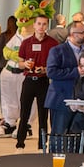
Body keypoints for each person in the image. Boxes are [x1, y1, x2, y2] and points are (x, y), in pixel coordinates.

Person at [13, 15, 58, 148]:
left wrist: (44, 69)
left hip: (43, 82)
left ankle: (42, 144)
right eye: (39, 24)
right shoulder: (26, 42)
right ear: (34, 25)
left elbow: (55, 64)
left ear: (47, 26)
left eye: (44, 24)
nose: (41, 27)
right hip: (28, 81)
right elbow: (19, 63)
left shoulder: (53, 43)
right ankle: (20, 142)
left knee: (43, 114)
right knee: (24, 113)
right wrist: (25, 64)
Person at [46, 22, 84, 136]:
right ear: (72, 34)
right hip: (61, 98)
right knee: (59, 136)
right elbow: (51, 72)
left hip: (82, 99)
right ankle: (55, 154)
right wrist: (75, 71)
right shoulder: (57, 50)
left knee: (76, 136)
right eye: (81, 32)